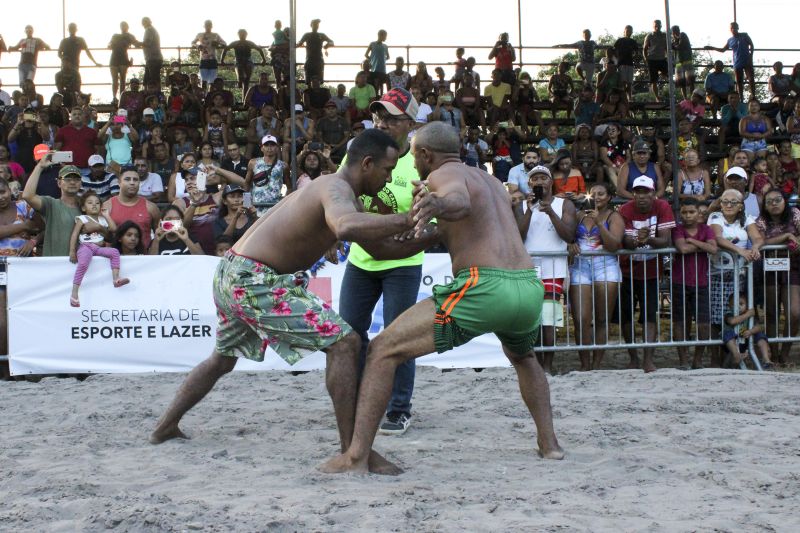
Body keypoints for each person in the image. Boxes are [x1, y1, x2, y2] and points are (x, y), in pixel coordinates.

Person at [150, 129, 422, 474]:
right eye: (386, 170)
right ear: (367, 164)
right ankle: (353, 452)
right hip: (253, 279)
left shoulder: (334, 192)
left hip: (233, 273)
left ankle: (165, 427)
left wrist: (436, 232)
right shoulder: (335, 189)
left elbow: (383, 249)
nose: (388, 179)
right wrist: (408, 217)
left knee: (222, 360)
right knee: (346, 343)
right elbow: (345, 226)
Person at [320, 122, 564, 476]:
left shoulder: (443, 176)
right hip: (527, 285)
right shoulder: (492, 183)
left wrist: (438, 200)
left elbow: (458, 201)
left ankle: (355, 457)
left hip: (484, 285)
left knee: (383, 349)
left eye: (412, 153)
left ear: (425, 154)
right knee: (524, 358)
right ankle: (549, 444)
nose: (410, 161)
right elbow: (436, 231)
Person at [337, 88, 425, 436]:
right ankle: (360, 400)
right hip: (361, 259)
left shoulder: (422, 159)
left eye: (391, 117)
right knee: (349, 335)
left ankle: (399, 408)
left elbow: (431, 212)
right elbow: (342, 195)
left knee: (397, 337)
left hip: (403, 261)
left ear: (411, 123)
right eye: (379, 116)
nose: (382, 122)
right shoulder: (358, 153)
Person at [514, 165, 577, 374]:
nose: (539, 182)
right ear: (529, 183)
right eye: (535, 179)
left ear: (551, 182)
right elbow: (518, 236)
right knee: (530, 321)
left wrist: (549, 212)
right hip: (527, 270)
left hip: (554, 270)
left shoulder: (564, 204)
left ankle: (547, 367)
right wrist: (531, 210)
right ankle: (534, 365)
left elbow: (568, 235)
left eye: (543, 178)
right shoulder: (522, 206)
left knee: (548, 320)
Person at [619, 176, 675, 372]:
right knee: (626, 316)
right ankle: (633, 357)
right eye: (638, 192)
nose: (642, 196)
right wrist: (636, 242)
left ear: (653, 193)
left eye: (646, 192)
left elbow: (665, 240)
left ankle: (648, 359)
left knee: (650, 315)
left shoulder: (663, 206)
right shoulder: (625, 209)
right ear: (633, 193)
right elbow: (624, 240)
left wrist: (647, 239)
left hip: (651, 270)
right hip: (627, 269)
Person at [567, 181, 623, 370]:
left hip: (605, 266)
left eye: (601, 194)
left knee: (602, 318)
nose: (597, 197)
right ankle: (584, 364)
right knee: (581, 319)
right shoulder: (579, 215)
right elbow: (568, 236)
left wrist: (599, 221)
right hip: (580, 266)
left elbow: (614, 245)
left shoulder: (614, 216)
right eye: (593, 194)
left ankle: (596, 363)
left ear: (609, 197)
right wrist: (570, 244)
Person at [708, 187, 762, 366]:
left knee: (735, 315)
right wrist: (740, 250)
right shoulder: (715, 217)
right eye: (725, 201)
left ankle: (732, 356)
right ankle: (715, 357)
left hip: (739, 275)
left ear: (741, 206)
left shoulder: (747, 218)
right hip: (718, 275)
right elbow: (718, 237)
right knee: (717, 317)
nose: (728, 205)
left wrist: (754, 248)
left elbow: (758, 237)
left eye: (733, 202)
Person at [671, 198, 718, 369]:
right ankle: (683, 359)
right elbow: (682, 249)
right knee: (681, 323)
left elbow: (713, 249)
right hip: (680, 282)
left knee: (704, 324)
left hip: (701, 282)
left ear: (699, 213)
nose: (688, 215)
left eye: (692, 212)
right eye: (684, 212)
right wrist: (703, 245)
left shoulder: (707, 229)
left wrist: (693, 241)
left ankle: (697, 359)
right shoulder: (677, 229)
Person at [755, 189, 800, 366]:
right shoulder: (760, 221)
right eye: (769, 201)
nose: (774, 203)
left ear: (785, 201)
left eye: (777, 199)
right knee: (772, 312)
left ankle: (785, 352)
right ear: (764, 205)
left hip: (793, 266)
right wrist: (788, 236)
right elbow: (761, 241)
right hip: (769, 267)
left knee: (795, 312)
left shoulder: (795, 213)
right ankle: (774, 353)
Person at [68, 191, 129, 307]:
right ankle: (74, 293)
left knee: (114, 252)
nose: (94, 205)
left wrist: (106, 215)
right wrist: (72, 250)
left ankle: (116, 279)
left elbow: (114, 229)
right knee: (83, 264)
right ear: (83, 208)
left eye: (97, 203)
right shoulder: (82, 218)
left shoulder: (102, 220)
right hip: (85, 246)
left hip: (98, 249)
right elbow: (75, 234)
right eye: (90, 203)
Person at [22, 157, 90, 257]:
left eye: (76, 179)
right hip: (55, 265)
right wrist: (40, 166)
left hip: (81, 265)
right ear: (59, 183)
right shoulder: (51, 204)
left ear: (80, 183)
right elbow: (27, 195)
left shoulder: (87, 206)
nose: (72, 182)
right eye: (67, 179)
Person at [103, 165, 160, 250]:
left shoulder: (151, 207)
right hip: (114, 259)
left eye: (135, 179)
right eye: (127, 179)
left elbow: (159, 235)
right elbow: (100, 237)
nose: (132, 182)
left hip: (144, 259)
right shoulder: (107, 206)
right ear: (119, 182)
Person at [721, 291, 772, 368]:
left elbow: (760, 327)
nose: (738, 307)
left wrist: (751, 331)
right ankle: (736, 355)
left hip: (745, 340)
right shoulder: (729, 314)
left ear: (746, 305)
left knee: (760, 335)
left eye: (741, 304)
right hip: (731, 343)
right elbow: (732, 321)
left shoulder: (749, 317)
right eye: (734, 304)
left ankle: (766, 358)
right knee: (728, 334)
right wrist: (748, 314)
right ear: (730, 306)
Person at [705, 22, 755, 99]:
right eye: (732, 28)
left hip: (747, 60)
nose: (733, 29)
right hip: (737, 62)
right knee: (739, 81)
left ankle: (753, 96)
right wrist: (711, 47)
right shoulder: (730, 40)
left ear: (738, 28)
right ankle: (741, 98)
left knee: (751, 78)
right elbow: (723, 50)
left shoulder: (745, 35)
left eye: (735, 27)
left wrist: (751, 56)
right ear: (730, 29)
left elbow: (751, 45)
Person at [245, 135, 288, 215]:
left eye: (272, 145)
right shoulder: (253, 163)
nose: (269, 147)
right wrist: (247, 205)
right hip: (256, 208)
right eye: (266, 145)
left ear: (277, 148)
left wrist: (285, 204)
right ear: (262, 148)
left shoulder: (283, 166)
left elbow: (290, 187)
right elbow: (247, 184)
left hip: (276, 208)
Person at [220, 30, 267, 95]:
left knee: (246, 81)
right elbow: (225, 49)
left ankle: (244, 99)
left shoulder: (249, 43)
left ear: (246, 35)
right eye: (241, 34)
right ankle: (240, 80)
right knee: (240, 71)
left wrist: (264, 60)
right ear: (238, 35)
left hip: (248, 62)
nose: (242, 35)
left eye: (243, 34)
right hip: (239, 62)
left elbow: (259, 49)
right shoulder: (236, 43)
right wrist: (222, 60)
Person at [643, 20, 668, 101]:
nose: (657, 26)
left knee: (668, 74)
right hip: (652, 60)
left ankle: (667, 93)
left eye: (658, 25)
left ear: (661, 26)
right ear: (653, 26)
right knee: (653, 80)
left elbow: (668, 47)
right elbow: (645, 49)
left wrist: (669, 57)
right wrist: (646, 59)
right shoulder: (649, 36)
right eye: (655, 25)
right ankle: (657, 97)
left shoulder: (665, 35)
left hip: (662, 59)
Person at [613, 25, 638, 99]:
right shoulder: (620, 40)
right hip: (621, 63)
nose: (629, 32)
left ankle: (629, 97)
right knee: (623, 82)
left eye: (630, 31)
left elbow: (636, 52)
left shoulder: (633, 41)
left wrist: (634, 58)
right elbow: (614, 50)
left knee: (630, 82)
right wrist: (617, 60)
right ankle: (624, 97)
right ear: (624, 31)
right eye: (627, 30)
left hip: (630, 63)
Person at [670, 26, 694, 99]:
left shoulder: (683, 35)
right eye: (674, 31)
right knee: (681, 82)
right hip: (678, 62)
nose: (675, 32)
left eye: (676, 30)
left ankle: (692, 98)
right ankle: (685, 99)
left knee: (690, 80)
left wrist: (672, 46)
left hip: (687, 60)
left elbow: (680, 46)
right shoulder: (673, 40)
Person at [365, 30, 389, 95]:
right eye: (385, 36)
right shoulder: (372, 44)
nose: (385, 38)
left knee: (381, 84)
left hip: (382, 69)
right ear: (380, 35)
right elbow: (366, 54)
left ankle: (381, 97)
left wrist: (382, 60)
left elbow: (388, 57)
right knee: (375, 84)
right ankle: (374, 97)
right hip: (373, 68)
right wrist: (371, 59)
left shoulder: (385, 46)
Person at [141, 18, 163, 88]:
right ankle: (153, 95)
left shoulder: (149, 30)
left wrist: (137, 43)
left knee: (153, 79)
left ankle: (155, 96)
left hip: (152, 58)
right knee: (150, 78)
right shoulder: (153, 30)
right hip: (154, 58)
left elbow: (147, 43)